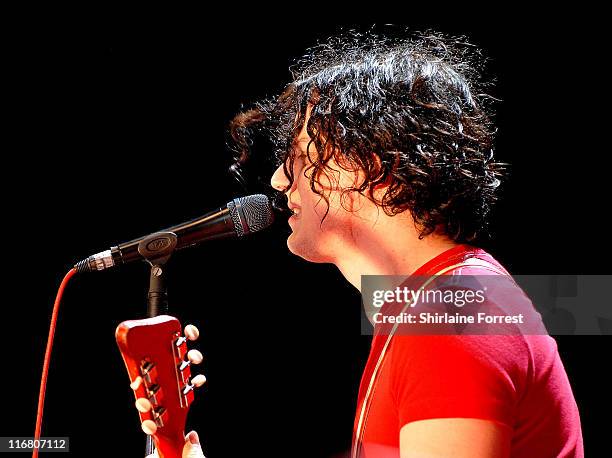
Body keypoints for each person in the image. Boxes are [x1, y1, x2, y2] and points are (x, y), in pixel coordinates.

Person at [174, 31, 584, 457]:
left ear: (365, 167)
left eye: (296, 156)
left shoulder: (451, 318)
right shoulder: (435, 304)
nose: (279, 179)